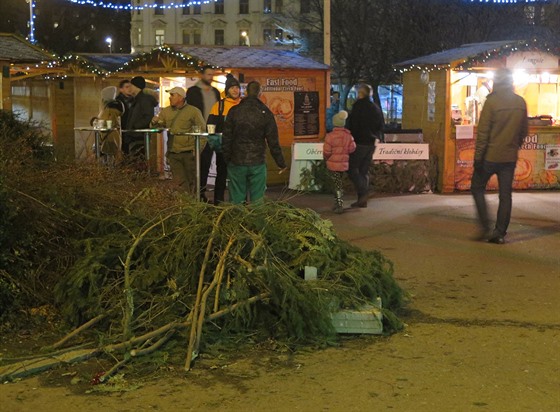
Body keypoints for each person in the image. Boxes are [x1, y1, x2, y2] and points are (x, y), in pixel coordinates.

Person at [471, 68, 528, 244]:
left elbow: (483, 133)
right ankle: (500, 233)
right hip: (509, 158)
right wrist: (513, 146)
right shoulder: (520, 102)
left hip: (489, 156)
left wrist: (478, 158)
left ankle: (485, 226)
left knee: (477, 187)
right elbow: (523, 131)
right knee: (505, 195)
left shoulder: (492, 102)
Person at [222, 81, 287, 205]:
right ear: (260, 93)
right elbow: (273, 142)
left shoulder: (234, 111)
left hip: (236, 161)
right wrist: (281, 163)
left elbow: (227, 138)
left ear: (245, 92)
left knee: (236, 201)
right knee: (258, 201)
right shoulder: (266, 113)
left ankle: (237, 223)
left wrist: (227, 158)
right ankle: (257, 223)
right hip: (257, 162)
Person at [151, 87, 205, 193]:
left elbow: (202, 132)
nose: (170, 97)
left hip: (189, 153)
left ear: (180, 97)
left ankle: (192, 206)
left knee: (191, 182)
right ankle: (183, 206)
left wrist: (197, 150)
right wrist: (154, 122)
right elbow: (158, 130)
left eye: (172, 95)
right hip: (173, 153)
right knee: (179, 183)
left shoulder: (193, 111)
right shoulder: (166, 111)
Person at [201, 73, 242, 204]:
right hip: (223, 147)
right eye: (232, 88)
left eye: (237, 87)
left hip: (240, 148)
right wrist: (215, 143)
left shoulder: (244, 105)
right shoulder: (219, 106)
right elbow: (210, 125)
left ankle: (240, 203)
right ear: (227, 90)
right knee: (221, 175)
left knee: (239, 176)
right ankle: (218, 202)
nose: (235, 90)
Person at [346, 84, 385, 208]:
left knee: (352, 169)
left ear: (361, 93)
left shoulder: (358, 107)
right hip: (371, 142)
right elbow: (380, 125)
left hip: (360, 141)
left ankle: (364, 192)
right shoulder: (375, 108)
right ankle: (362, 199)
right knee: (363, 170)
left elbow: (352, 124)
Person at [186, 65, 221, 201]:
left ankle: (215, 196)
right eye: (208, 74)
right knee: (202, 164)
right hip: (200, 132)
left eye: (212, 75)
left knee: (218, 164)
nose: (210, 77)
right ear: (202, 75)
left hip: (215, 131)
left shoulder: (216, 92)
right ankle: (199, 193)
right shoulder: (193, 91)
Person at [323, 110, 356, 214]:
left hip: (333, 164)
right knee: (338, 183)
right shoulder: (348, 136)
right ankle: (337, 203)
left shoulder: (330, 136)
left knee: (337, 185)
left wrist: (326, 158)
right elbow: (352, 149)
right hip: (343, 164)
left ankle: (339, 204)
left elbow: (327, 151)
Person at [123, 76, 158, 157]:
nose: (129, 88)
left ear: (136, 86)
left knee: (138, 163)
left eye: (130, 86)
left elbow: (148, 117)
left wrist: (135, 126)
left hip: (139, 138)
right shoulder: (136, 99)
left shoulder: (144, 100)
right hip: (135, 137)